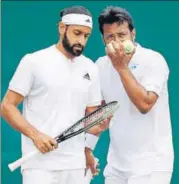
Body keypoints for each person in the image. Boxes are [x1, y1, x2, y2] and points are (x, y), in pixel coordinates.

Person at [1, 6, 109, 184]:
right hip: (39, 166)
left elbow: (91, 121)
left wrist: (99, 128)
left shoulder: (90, 68)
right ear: (61, 28)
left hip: (76, 166)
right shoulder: (33, 61)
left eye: (86, 36)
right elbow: (7, 106)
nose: (81, 41)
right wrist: (36, 136)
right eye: (77, 33)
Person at [94, 6, 174, 184]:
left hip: (152, 164)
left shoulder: (154, 60)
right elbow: (97, 112)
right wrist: (87, 149)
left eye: (122, 35)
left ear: (133, 34)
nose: (117, 42)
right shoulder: (100, 66)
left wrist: (121, 67)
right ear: (103, 40)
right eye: (110, 37)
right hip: (116, 165)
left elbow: (145, 104)